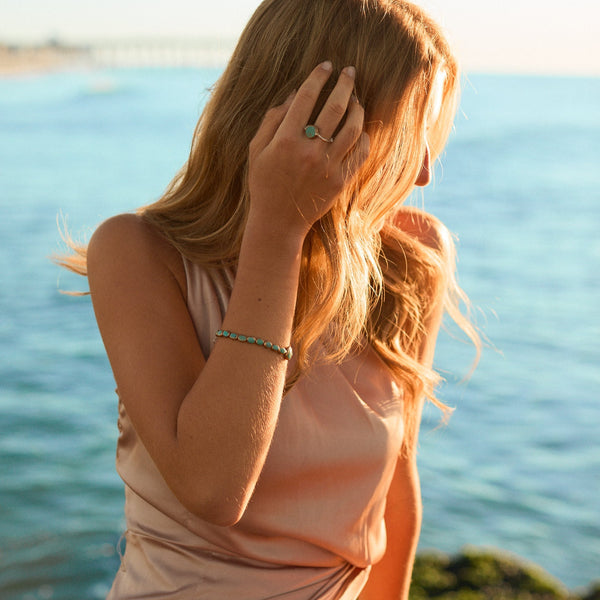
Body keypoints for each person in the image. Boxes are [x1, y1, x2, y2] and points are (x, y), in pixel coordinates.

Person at [56, 0, 479, 598]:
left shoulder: (409, 258)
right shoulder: (136, 254)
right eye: (407, 136)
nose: (425, 174)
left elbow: (394, 493)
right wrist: (279, 231)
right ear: (317, 118)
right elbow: (214, 489)